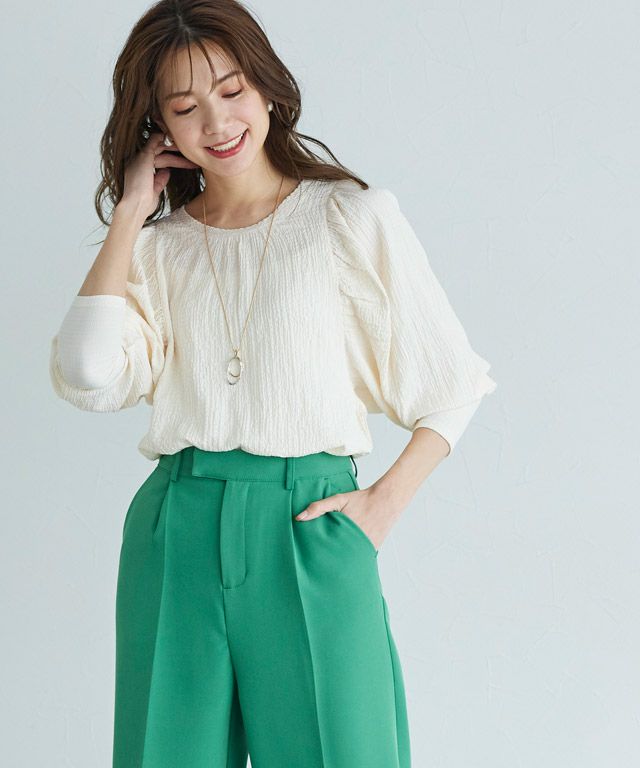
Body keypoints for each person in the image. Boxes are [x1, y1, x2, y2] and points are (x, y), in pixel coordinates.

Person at [48, 1, 497, 766]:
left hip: (309, 523)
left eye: (231, 91)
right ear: (159, 126)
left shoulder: (348, 218)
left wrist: (379, 509)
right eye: (185, 107)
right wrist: (129, 213)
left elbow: (452, 384)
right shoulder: (157, 250)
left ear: (266, 87)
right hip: (179, 528)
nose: (217, 122)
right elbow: (87, 372)